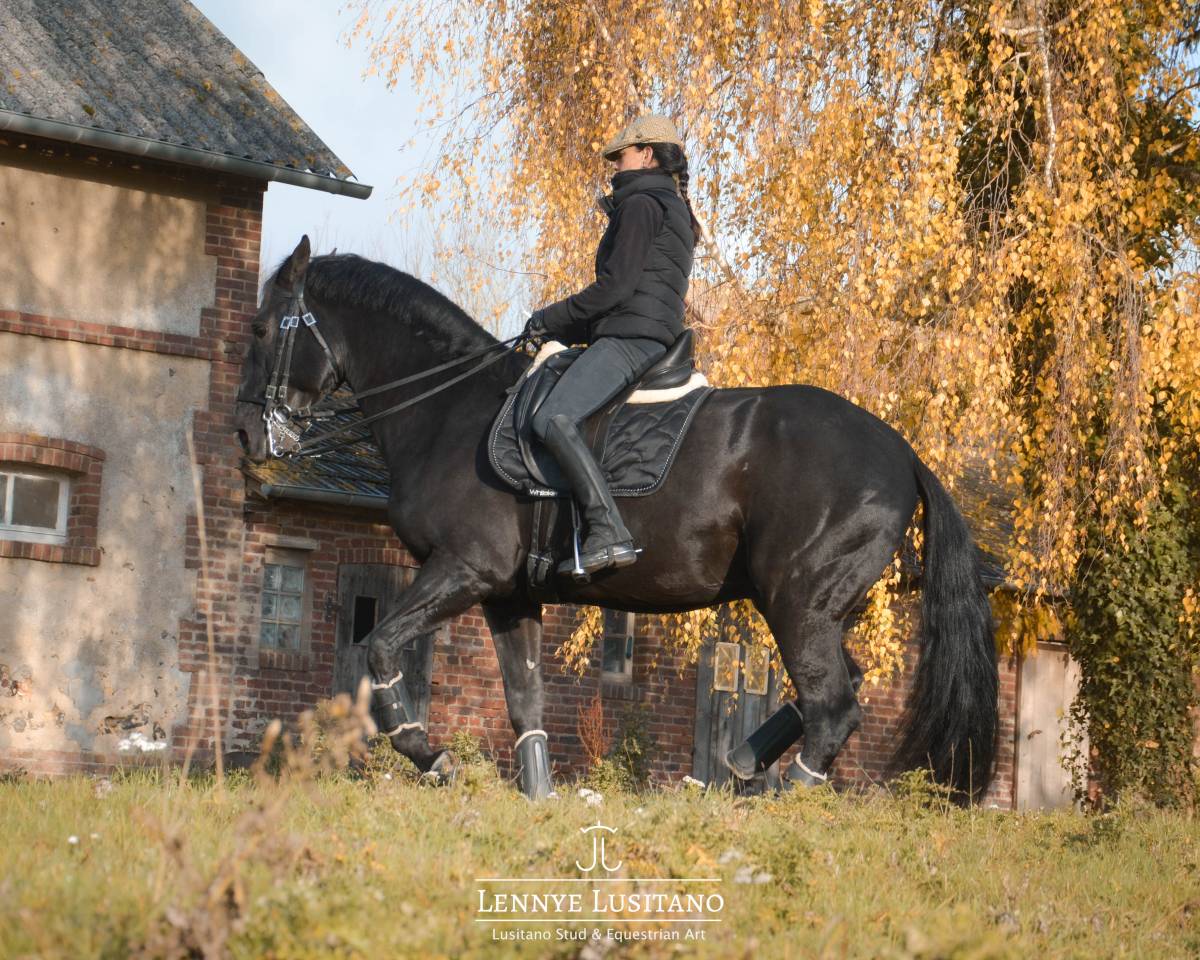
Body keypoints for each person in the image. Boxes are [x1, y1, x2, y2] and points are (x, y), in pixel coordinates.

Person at [523, 114, 702, 578]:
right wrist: (568, 332)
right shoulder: (671, 206)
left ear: (646, 154)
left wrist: (548, 318)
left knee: (552, 417)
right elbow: (637, 291)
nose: (614, 166)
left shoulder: (641, 203)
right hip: (646, 332)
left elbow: (616, 288)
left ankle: (606, 530)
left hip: (631, 339)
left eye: (620, 156)